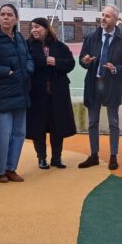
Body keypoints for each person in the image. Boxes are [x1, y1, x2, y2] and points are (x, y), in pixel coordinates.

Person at [0, 3, 34, 183]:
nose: (6, 17)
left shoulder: (19, 38)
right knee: (2, 135)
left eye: (10, 14)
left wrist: (28, 69)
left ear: (16, 18)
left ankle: (11, 168)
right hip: (1, 94)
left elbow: (29, 57)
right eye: (3, 14)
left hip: (21, 93)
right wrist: (5, 72)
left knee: (19, 133)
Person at [78, 5, 122, 170]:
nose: (103, 18)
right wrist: (85, 61)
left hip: (111, 85)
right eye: (102, 15)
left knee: (113, 123)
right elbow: (82, 58)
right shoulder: (91, 37)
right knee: (92, 122)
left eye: (107, 16)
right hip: (93, 85)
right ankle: (94, 155)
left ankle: (113, 156)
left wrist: (115, 68)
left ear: (115, 20)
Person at [26, 17, 76, 170]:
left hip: (57, 94)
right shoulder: (27, 46)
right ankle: (42, 158)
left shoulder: (59, 46)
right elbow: (27, 64)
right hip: (37, 95)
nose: (34, 30)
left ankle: (57, 158)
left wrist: (56, 62)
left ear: (46, 28)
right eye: (32, 27)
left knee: (57, 127)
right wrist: (44, 60)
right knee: (38, 128)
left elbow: (70, 63)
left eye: (37, 27)